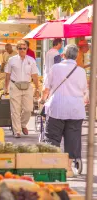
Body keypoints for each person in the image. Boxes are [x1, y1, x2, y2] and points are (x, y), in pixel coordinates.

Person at [39, 44, 86, 177]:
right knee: (73, 138)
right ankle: (68, 168)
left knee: (52, 138)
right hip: (75, 110)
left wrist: (42, 99)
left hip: (57, 108)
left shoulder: (55, 68)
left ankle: (52, 166)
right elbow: (83, 90)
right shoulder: (81, 71)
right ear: (76, 56)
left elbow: (46, 88)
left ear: (63, 55)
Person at [4, 40, 39, 138]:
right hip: (15, 85)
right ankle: (17, 131)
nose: (22, 50)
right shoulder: (11, 60)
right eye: (20, 48)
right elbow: (7, 75)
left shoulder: (31, 60)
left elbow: (35, 76)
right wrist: (5, 88)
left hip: (27, 86)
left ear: (27, 49)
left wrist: (37, 88)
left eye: (24, 48)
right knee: (15, 110)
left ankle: (23, 124)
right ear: (17, 49)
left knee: (28, 109)